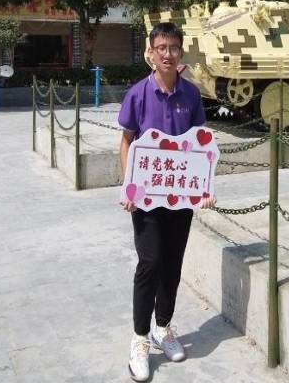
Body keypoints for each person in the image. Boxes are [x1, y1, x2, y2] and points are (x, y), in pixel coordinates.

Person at [118, 22, 215, 382]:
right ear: (151, 52)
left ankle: (163, 328)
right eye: (162, 47)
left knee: (172, 264)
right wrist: (129, 186)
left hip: (181, 197)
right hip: (147, 198)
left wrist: (205, 186)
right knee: (150, 262)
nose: (168, 54)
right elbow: (127, 141)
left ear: (180, 52)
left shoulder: (191, 94)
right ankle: (140, 339)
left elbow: (201, 144)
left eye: (173, 48)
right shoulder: (138, 94)